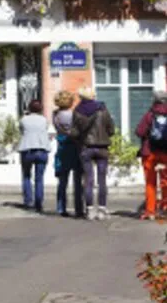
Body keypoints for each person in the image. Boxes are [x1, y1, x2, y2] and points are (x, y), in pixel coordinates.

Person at [71, 87, 115, 220]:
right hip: (102, 147)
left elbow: (75, 133)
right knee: (102, 179)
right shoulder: (102, 109)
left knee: (88, 180)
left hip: (86, 147)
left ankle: (89, 210)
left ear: (81, 97)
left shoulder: (77, 111)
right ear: (93, 96)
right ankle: (102, 209)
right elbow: (111, 130)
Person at [134, 89, 167, 220]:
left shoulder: (150, 114)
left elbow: (139, 132)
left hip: (149, 152)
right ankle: (165, 208)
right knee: (166, 181)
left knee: (150, 183)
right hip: (166, 153)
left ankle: (150, 211)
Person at [52, 90, 83, 218]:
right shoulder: (73, 115)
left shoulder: (55, 115)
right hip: (74, 146)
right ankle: (79, 208)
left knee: (62, 181)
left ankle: (61, 207)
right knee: (78, 180)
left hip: (61, 146)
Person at [18, 99, 49, 212]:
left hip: (27, 149)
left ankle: (28, 201)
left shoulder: (24, 119)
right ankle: (39, 202)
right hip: (41, 148)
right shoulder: (44, 120)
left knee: (26, 176)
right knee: (39, 178)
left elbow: (21, 130)